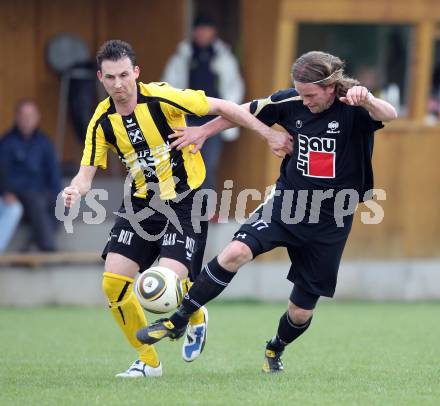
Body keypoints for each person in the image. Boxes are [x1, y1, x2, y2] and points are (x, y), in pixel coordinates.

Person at [136, 51, 398, 373]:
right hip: (287, 204)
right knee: (235, 252)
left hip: (332, 220)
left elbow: (390, 113)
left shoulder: (354, 109)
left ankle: (275, 348)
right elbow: (242, 111)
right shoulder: (292, 102)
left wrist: (368, 99)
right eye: (300, 93)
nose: (304, 101)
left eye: (311, 95)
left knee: (300, 311)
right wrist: (204, 131)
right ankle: (177, 321)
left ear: (331, 87)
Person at [62, 40, 291, 378]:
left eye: (124, 74)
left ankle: (196, 315)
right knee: (113, 284)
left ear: (136, 72)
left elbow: (225, 106)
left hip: (187, 199)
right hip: (142, 204)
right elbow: (85, 176)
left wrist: (267, 134)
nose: (119, 84)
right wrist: (74, 190)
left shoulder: (163, 97)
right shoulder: (102, 121)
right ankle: (148, 361)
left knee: (169, 280)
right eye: (110, 77)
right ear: (101, 78)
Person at [162, 15, 245, 196]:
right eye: (199, 29)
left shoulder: (224, 57)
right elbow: (168, 87)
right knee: (181, 164)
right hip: (185, 121)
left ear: (213, 32)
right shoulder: (183, 56)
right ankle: (182, 206)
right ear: (194, 32)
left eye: (206, 29)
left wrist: (229, 114)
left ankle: (206, 208)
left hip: (214, 121)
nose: (202, 34)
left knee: (208, 165)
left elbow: (234, 87)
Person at [0, 100, 61, 252]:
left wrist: (60, 194)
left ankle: (34, 241)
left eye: (31, 116)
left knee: (62, 206)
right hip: (18, 193)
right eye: (23, 116)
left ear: (37, 117)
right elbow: (2, 171)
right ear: (17, 117)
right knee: (37, 201)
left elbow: (53, 171)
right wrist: (6, 192)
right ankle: (47, 248)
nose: (27, 120)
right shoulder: (7, 142)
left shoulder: (44, 142)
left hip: (41, 191)